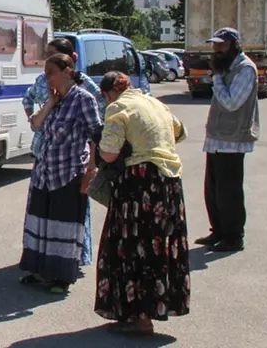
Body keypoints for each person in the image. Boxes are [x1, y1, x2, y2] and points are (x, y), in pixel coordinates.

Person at [93, 71, 190, 336]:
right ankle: (153, 309)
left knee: (135, 246)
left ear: (107, 93)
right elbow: (180, 133)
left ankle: (140, 317)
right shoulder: (154, 102)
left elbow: (109, 154)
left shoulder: (118, 107)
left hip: (140, 183)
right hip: (169, 182)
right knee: (159, 245)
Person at [18, 53, 102, 294]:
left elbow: (95, 134)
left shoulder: (83, 99)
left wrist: (91, 169)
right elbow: (35, 124)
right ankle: (40, 270)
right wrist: (50, 103)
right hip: (45, 172)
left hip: (69, 172)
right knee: (41, 222)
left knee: (62, 226)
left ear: (67, 71)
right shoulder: (55, 99)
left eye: (50, 73)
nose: (47, 78)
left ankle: (61, 276)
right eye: (45, 73)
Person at [195, 27, 258, 252]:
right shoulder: (226, 67)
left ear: (233, 45)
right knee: (213, 190)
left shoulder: (245, 69)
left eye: (220, 45)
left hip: (233, 140)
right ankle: (218, 231)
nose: (216, 49)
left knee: (229, 191)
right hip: (217, 138)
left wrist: (218, 80)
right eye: (214, 45)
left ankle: (233, 237)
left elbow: (232, 103)